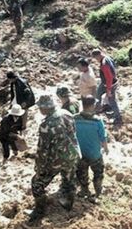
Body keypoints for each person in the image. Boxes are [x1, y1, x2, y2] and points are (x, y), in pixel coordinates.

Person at [28, 95, 80, 224]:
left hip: (55, 161)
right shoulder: (66, 113)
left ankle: (40, 211)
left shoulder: (46, 126)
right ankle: (68, 203)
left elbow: (42, 151)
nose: (39, 109)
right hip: (72, 155)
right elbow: (73, 132)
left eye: (40, 107)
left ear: (45, 108)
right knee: (69, 180)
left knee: (36, 184)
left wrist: (39, 168)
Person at [75, 95, 108, 203]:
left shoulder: (74, 118)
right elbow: (103, 138)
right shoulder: (98, 121)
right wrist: (105, 148)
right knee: (98, 173)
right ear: (92, 105)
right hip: (94, 154)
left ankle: (84, 191)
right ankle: (98, 193)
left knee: (81, 173)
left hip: (80, 153)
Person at [91, 49, 122, 127]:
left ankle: (118, 118)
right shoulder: (107, 57)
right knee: (98, 94)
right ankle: (98, 109)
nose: (96, 60)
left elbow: (109, 78)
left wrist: (108, 90)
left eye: (96, 58)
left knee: (112, 100)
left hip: (110, 84)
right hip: (105, 82)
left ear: (98, 56)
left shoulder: (104, 63)